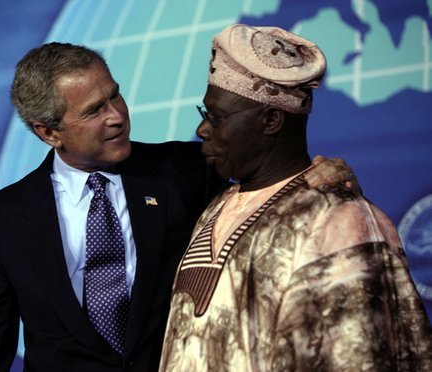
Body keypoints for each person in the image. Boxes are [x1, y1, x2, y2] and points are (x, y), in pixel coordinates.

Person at [0, 42, 358, 371]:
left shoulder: (186, 170)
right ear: (48, 132)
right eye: (94, 110)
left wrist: (319, 177)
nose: (117, 117)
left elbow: (271, 179)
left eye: (115, 96)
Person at [159, 25, 432, 371]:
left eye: (216, 117)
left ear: (271, 119)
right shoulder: (216, 204)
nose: (202, 130)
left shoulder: (337, 218)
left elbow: (360, 358)